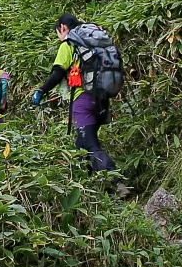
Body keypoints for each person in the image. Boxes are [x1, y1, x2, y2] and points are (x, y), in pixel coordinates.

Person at [30, 13, 128, 197]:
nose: (58, 36)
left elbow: (58, 73)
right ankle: (87, 188)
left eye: (58, 32)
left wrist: (41, 91)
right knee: (81, 143)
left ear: (63, 28)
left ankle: (117, 183)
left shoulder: (69, 45)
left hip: (83, 100)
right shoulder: (93, 43)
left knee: (90, 144)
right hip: (102, 99)